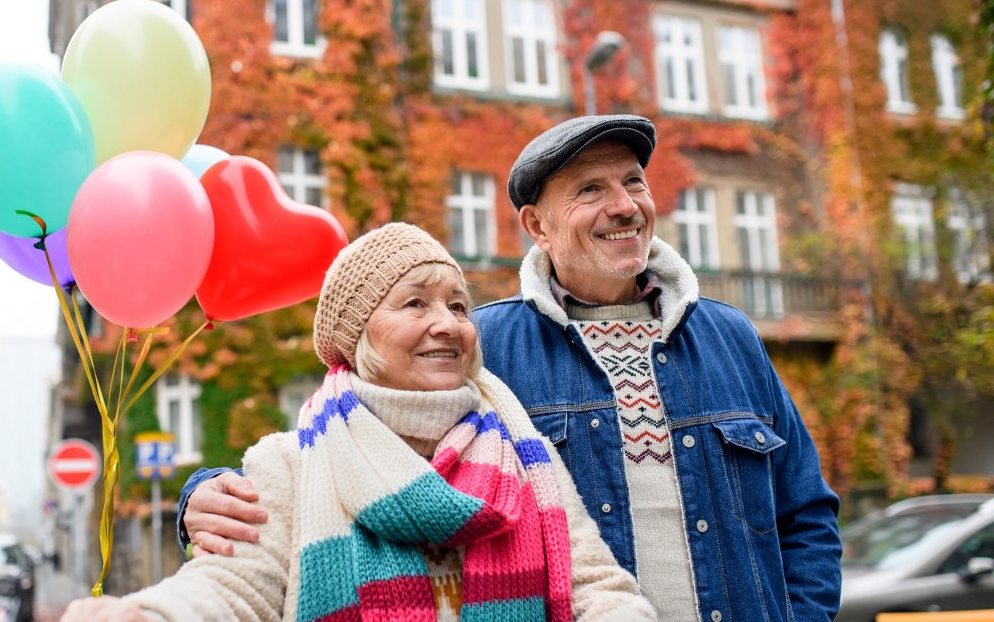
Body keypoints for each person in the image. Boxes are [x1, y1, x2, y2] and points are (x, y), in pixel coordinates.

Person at [178, 115, 843, 621]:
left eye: (632, 181)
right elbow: (369, 436)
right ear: (537, 225)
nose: (624, 205)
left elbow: (806, 513)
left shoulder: (729, 337)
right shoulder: (484, 346)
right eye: (590, 189)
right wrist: (204, 495)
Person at [60, 223, 656, 621]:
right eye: (415, 303)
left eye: (457, 304)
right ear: (360, 332)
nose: (447, 323)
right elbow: (230, 592)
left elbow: (599, 590)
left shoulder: (524, 455)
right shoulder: (288, 465)